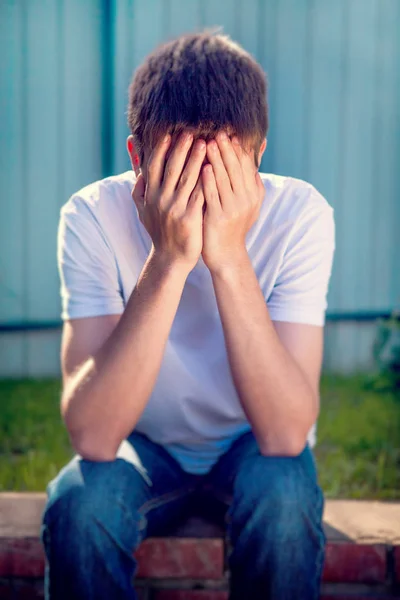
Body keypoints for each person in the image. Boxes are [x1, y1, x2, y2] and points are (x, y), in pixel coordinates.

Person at [41, 31, 335, 599]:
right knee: (79, 505)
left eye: (223, 169)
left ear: (258, 154)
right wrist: (170, 258)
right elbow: (95, 436)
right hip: (144, 443)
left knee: (285, 495)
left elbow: (284, 433)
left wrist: (228, 258)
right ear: (136, 159)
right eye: (178, 169)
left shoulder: (300, 215)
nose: (201, 194)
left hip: (251, 441)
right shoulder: (92, 216)